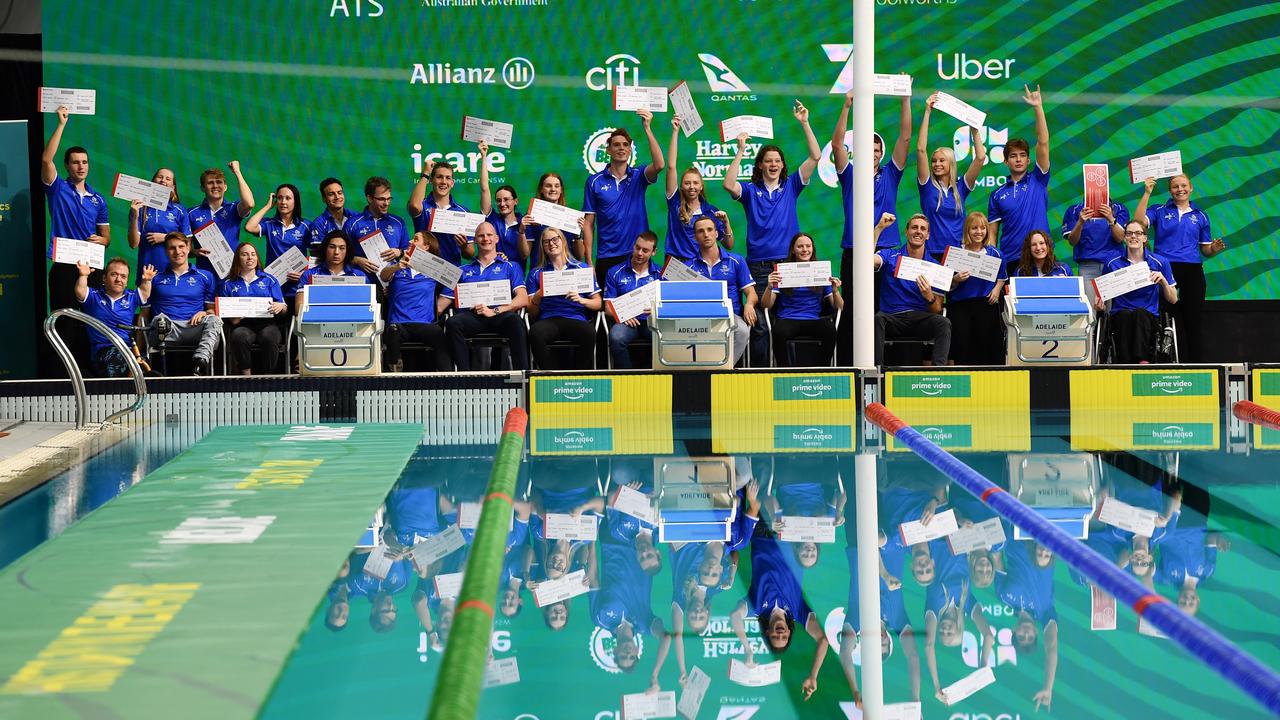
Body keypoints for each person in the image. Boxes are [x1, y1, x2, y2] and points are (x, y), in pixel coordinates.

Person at [724, 101, 821, 365]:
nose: (774, 164)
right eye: (768, 161)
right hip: (757, 266)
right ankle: (759, 374)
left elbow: (815, 156)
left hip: (787, 264)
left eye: (777, 161)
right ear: (760, 166)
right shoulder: (750, 191)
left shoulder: (791, 186)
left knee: (782, 322)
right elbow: (728, 184)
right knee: (759, 327)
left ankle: (783, 372)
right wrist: (741, 150)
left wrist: (804, 122)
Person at [41, 106, 109, 367]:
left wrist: (102, 241)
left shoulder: (98, 199)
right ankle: (63, 376)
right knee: (65, 322)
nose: (81, 166)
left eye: (85, 162)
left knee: (91, 321)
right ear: (67, 166)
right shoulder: (58, 189)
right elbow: (47, 161)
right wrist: (61, 125)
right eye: (75, 162)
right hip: (64, 268)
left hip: (92, 267)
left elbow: (106, 236)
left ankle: (91, 374)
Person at [1134, 174, 1226, 363]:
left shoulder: (1200, 215)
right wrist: (1147, 192)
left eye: (1184, 185)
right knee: (1167, 319)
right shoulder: (1158, 210)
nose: (1180, 189)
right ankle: (1165, 362)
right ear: (1170, 190)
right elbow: (1138, 224)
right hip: (1165, 269)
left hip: (1192, 270)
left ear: (1191, 188)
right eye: (1175, 186)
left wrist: (1213, 250)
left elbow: (1205, 250)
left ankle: (1196, 365)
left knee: (1193, 318)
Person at [730, 525, 829, 701]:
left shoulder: (756, 608)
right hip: (790, 532)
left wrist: (747, 649)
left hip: (761, 532)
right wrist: (813, 675)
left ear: (768, 632)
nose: (781, 634)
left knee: (755, 498)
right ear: (790, 632)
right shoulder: (798, 611)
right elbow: (823, 640)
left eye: (776, 637)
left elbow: (735, 616)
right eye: (784, 637)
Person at [583, 110, 665, 288]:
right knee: (608, 310)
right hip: (607, 256)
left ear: (630, 149)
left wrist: (647, 128)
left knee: (642, 308)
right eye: (616, 144)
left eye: (625, 145)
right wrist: (589, 261)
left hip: (636, 254)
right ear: (609, 149)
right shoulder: (594, 182)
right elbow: (588, 224)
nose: (621, 148)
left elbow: (660, 165)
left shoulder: (639, 176)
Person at [442, 222, 529, 371]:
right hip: (472, 316)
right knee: (452, 323)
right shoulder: (461, 270)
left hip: (500, 315)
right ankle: (464, 378)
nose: (485, 238)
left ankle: (523, 376)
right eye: (481, 235)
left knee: (516, 321)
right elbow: (440, 305)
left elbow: (522, 298)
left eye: (489, 235)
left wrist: (495, 311)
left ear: (496, 239)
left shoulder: (511, 266)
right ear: (474, 240)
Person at [873, 213, 951, 366]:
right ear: (906, 232)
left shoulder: (936, 267)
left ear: (927, 235)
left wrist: (929, 296)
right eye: (914, 227)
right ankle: (877, 372)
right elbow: (865, 259)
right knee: (877, 319)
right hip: (892, 319)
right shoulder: (890, 255)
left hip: (919, 320)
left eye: (923, 229)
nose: (918, 231)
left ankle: (938, 373)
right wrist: (879, 228)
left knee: (944, 322)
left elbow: (936, 309)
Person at [987, 85, 1052, 268]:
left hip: (1041, 257)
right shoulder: (997, 194)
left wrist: (1038, 107)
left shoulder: (1038, 179)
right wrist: (993, 264)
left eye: (1022, 155)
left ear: (1029, 160)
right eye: (1013, 156)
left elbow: (1043, 142)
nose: (1018, 160)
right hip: (1010, 259)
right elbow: (993, 234)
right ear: (1006, 161)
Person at [1096, 221, 1177, 364]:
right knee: (1125, 314)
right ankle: (1125, 363)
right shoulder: (1112, 263)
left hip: (1149, 317)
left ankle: (1143, 360)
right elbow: (1102, 296)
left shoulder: (1159, 262)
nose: (1133, 236)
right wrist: (1099, 304)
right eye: (1129, 233)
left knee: (1140, 313)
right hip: (1120, 315)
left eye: (1138, 233)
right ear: (1125, 237)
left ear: (1145, 238)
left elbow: (1173, 299)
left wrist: (1163, 281)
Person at [917, 93, 986, 260]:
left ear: (951, 163)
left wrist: (974, 128)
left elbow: (980, 157)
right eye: (934, 161)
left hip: (958, 255)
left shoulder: (961, 187)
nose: (936, 164)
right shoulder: (927, 186)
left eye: (942, 160)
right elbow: (920, 149)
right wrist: (927, 112)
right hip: (931, 253)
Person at [145, 232, 222, 375]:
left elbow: (211, 310)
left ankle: (201, 360)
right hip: (166, 330)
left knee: (215, 319)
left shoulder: (205, 276)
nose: (177, 251)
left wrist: (205, 313)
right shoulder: (155, 278)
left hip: (193, 328)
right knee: (159, 320)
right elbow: (144, 315)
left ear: (188, 248)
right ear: (166, 251)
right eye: (172, 248)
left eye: (181, 246)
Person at [761, 232, 843, 366]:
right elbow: (766, 305)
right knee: (779, 332)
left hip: (813, 320)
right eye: (800, 246)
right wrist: (769, 287)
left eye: (808, 246)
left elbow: (839, 307)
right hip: (788, 319)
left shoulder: (821, 271)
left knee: (829, 330)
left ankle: (821, 370)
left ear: (812, 249)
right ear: (793, 250)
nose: (805, 250)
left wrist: (835, 291)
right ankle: (784, 371)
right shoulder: (782, 271)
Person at [685, 216, 757, 366]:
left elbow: (751, 292)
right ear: (695, 237)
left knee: (743, 331)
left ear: (717, 234)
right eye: (701, 231)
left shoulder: (736, 261)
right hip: (700, 318)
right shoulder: (688, 268)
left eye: (710, 230)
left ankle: (724, 368)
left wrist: (749, 305)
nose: (706, 234)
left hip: (730, 316)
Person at [526, 227, 602, 370]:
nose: (551, 244)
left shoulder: (581, 269)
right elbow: (532, 311)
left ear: (563, 241)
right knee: (535, 332)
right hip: (549, 319)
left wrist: (581, 300)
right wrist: (538, 295)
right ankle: (549, 375)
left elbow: (598, 303)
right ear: (542, 246)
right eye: (546, 241)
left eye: (555, 239)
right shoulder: (536, 273)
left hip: (576, 317)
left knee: (589, 333)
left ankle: (579, 375)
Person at [378, 234, 452, 372]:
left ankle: (448, 380)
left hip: (424, 324)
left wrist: (440, 306)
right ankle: (393, 373)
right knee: (392, 332)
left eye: (416, 239)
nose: (410, 241)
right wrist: (397, 267)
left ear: (426, 246)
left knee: (438, 333)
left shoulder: (434, 269)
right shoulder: (398, 265)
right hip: (399, 325)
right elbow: (383, 275)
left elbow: (455, 280)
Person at [665, 116, 731, 262]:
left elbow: (729, 244)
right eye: (687, 183)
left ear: (701, 186)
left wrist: (726, 223)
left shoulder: (711, 211)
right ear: (681, 186)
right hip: (675, 264)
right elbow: (671, 166)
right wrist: (675, 131)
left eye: (695, 183)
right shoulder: (674, 202)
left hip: (700, 266)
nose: (692, 187)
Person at [74, 258, 153, 377]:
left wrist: (146, 280)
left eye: (123, 276)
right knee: (118, 360)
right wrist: (83, 276)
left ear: (126, 281)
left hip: (127, 349)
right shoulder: (94, 296)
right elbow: (80, 291)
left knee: (145, 367)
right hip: (102, 351)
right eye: (114, 275)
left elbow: (145, 292)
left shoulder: (131, 297)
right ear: (104, 278)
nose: (118, 280)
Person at [218, 242, 287, 375]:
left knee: (269, 337)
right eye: (245, 254)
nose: (250, 258)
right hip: (242, 325)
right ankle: (246, 377)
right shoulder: (227, 283)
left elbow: (284, 309)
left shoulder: (269, 280)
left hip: (267, 324)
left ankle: (269, 377)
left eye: (253, 254)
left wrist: (280, 306)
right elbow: (227, 316)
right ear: (238, 258)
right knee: (239, 336)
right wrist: (235, 317)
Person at [947, 213, 1007, 365]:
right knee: (962, 344)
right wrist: (956, 279)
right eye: (974, 228)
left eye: (982, 228)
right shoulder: (955, 252)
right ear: (967, 230)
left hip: (986, 303)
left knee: (988, 344)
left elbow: (1002, 276)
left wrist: (996, 289)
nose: (978, 232)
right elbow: (945, 282)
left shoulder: (996, 253)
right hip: (960, 305)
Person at [604, 231, 663, 369]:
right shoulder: (614, 272)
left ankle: (653, 374)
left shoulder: (660, 274)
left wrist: (657, 310)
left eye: (645, 250)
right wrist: (621, 315)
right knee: (616, 337)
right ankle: (628, 374)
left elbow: (667, 305)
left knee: (666, 337)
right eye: (637, 248)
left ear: (654, 252)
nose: (640, 253)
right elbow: (607, 307)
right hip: (625, 322)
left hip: (652, 322)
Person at [188, 161, 255, 275]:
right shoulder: (191, 213)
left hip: (231, 274)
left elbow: (249, 204)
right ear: (202, 188)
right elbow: (185, 248)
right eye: (210, 183)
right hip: (204, 274)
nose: (215, 186)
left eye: (219, 182)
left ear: (225, 187)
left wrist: (237, 172)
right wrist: (194, 252)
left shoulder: (234, 209)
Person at [1062, 194, 1127, 303]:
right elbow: (1072, 241)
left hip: (1112, 265)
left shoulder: (1119, 209)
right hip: (1088, 267)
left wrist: (1111, 218)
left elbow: (1120, 238)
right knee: (1090, 312)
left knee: (1113, 312)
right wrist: (1080, 222)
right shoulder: (1074, 210)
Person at [409, 160, 476, 266]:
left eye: (448, 178)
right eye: (439, 177)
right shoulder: (423, 205)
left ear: (452, 183)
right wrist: (426, 173)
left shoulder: (463, 212)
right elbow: (414, 206)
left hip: (449, 274)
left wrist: (463, 246)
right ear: (431, 180)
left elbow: (470, 254)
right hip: (423, 272)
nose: (444, 182)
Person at [127, 168, 190, 276]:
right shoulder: (140, 208)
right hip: (147, 273)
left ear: (173, 187)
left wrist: (166, 238)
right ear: (153, 182)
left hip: (173, 273)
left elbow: (188, 242)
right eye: (160, 177)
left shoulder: (179, 210)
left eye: (168, 179)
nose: (163, 180)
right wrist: (134, 216)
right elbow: (133, 244)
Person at [346, 176, 408, 281]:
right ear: (369, 198)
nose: (386, 203)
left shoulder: (398, 223)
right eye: (382, 199)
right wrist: (356, 260)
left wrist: (399, 252)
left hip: (393, 284)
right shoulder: (352, 224)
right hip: (363, 283)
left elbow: (409, 253)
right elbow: (340, 256)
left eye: (389, 199)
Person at [519, 172, 586, 267]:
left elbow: (579, 256)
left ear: (561, 190)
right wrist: (521, 231)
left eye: (557, 186)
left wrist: (577, 236)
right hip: (541, 271)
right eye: (548, 186)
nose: (553, 189)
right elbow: (525, 254)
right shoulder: (532, 216)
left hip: (567, 271)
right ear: (541, 189)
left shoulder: (571, 217)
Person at [296, 230, 369, 314]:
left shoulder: (359, 276)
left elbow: (367, 308)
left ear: (347, 251)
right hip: (317, 323)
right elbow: (299, 309)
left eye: (342, 248)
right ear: (325, 249)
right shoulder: (309, 275)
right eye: (332, 247)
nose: (336, 252)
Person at [477, 142, 523, 261]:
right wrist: (483, 156)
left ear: (515, 201)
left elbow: (525, 254)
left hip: (516, 275)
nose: (502, 204)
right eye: (498, 200)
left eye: (506, 199)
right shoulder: (492, 219)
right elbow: (484, 188)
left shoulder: (524, 224)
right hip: (493, 276)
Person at [309, 177, 357, 252]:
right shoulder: (318, 224)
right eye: (331, 194)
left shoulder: (356, 217)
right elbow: (318, 257)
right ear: (324, 199)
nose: (337, 197)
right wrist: (353, 259)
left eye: (340, 193)